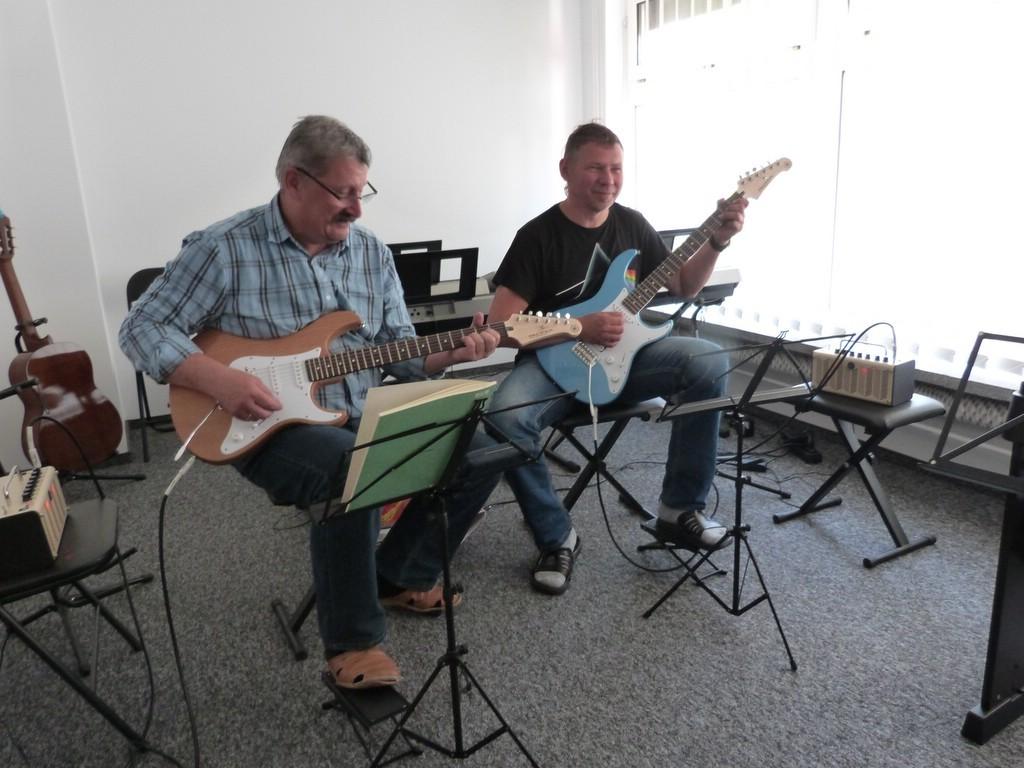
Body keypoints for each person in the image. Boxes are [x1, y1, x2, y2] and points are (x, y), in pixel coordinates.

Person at [120, 115, 502, 688]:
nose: (357, 209)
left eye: (362, 192)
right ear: (293, 181)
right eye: (343, 193)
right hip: (263, 426)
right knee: (348, 469)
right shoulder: (223, 249)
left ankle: (400, 573)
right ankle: (353, 642)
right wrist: (218, 380)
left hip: (362, 413)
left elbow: (398, 351)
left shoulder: (371, 254)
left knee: (484, 447)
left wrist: (448, 354)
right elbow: (142, 326)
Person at [485, 121, 748, 595]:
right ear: (565, 170)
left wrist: (717, 240)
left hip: (627, 359)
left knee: (709, 361)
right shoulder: (537, 236)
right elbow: (501, 327)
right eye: (595, 168)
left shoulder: (632, 225)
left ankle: (678, 511)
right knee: (503, 417)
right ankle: (556, 536)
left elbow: (685, 285)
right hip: (553, 366)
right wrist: (578, 327)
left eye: (616, 169)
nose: (608, 179)